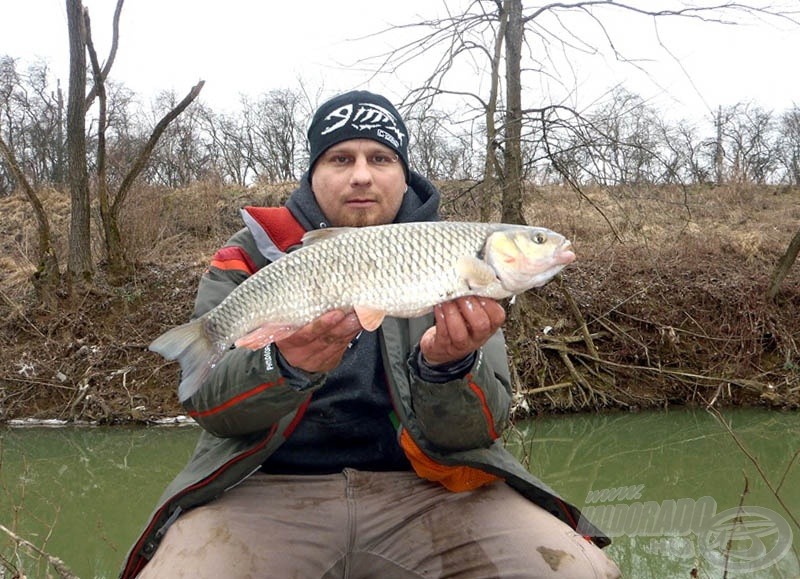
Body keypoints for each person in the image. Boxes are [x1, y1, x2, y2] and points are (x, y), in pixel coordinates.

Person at [121, 90, 620, 578]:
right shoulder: (251, 253)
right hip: (262, 487)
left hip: (432, 490)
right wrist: (283, 366)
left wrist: (447, 368)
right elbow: (209, 406)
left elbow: (477, 433)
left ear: (404, 175)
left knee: (575, 570)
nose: (361, 174)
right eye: (340, 158)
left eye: (380, 157)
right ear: (313, 174)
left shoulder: (458, 259)